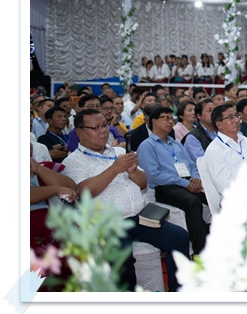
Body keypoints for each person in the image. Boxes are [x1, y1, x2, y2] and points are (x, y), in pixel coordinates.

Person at [61, 108, 190, 292]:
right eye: (95, 128)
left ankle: (178, 291)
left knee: (179, 237)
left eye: (104, 125)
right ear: (80, 132)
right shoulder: (73, 161)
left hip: (139, 218)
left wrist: (133, 171)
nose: (103, 131)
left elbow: (143, 184)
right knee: (122, 258)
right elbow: (83, 192)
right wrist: (115, 169)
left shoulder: (118, 151)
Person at [136, 106, 208, 254]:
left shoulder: (176, 144)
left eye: (171, 118)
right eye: (166, 118)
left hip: (188, 182)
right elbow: (154, 175)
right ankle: (199, 251)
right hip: (165, 188)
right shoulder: (146, 146)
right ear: (154, 121)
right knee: (193, 202)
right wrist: (185, 183)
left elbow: (191, 165)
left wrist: (196, 178)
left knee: (214, 197)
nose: (170, 122)